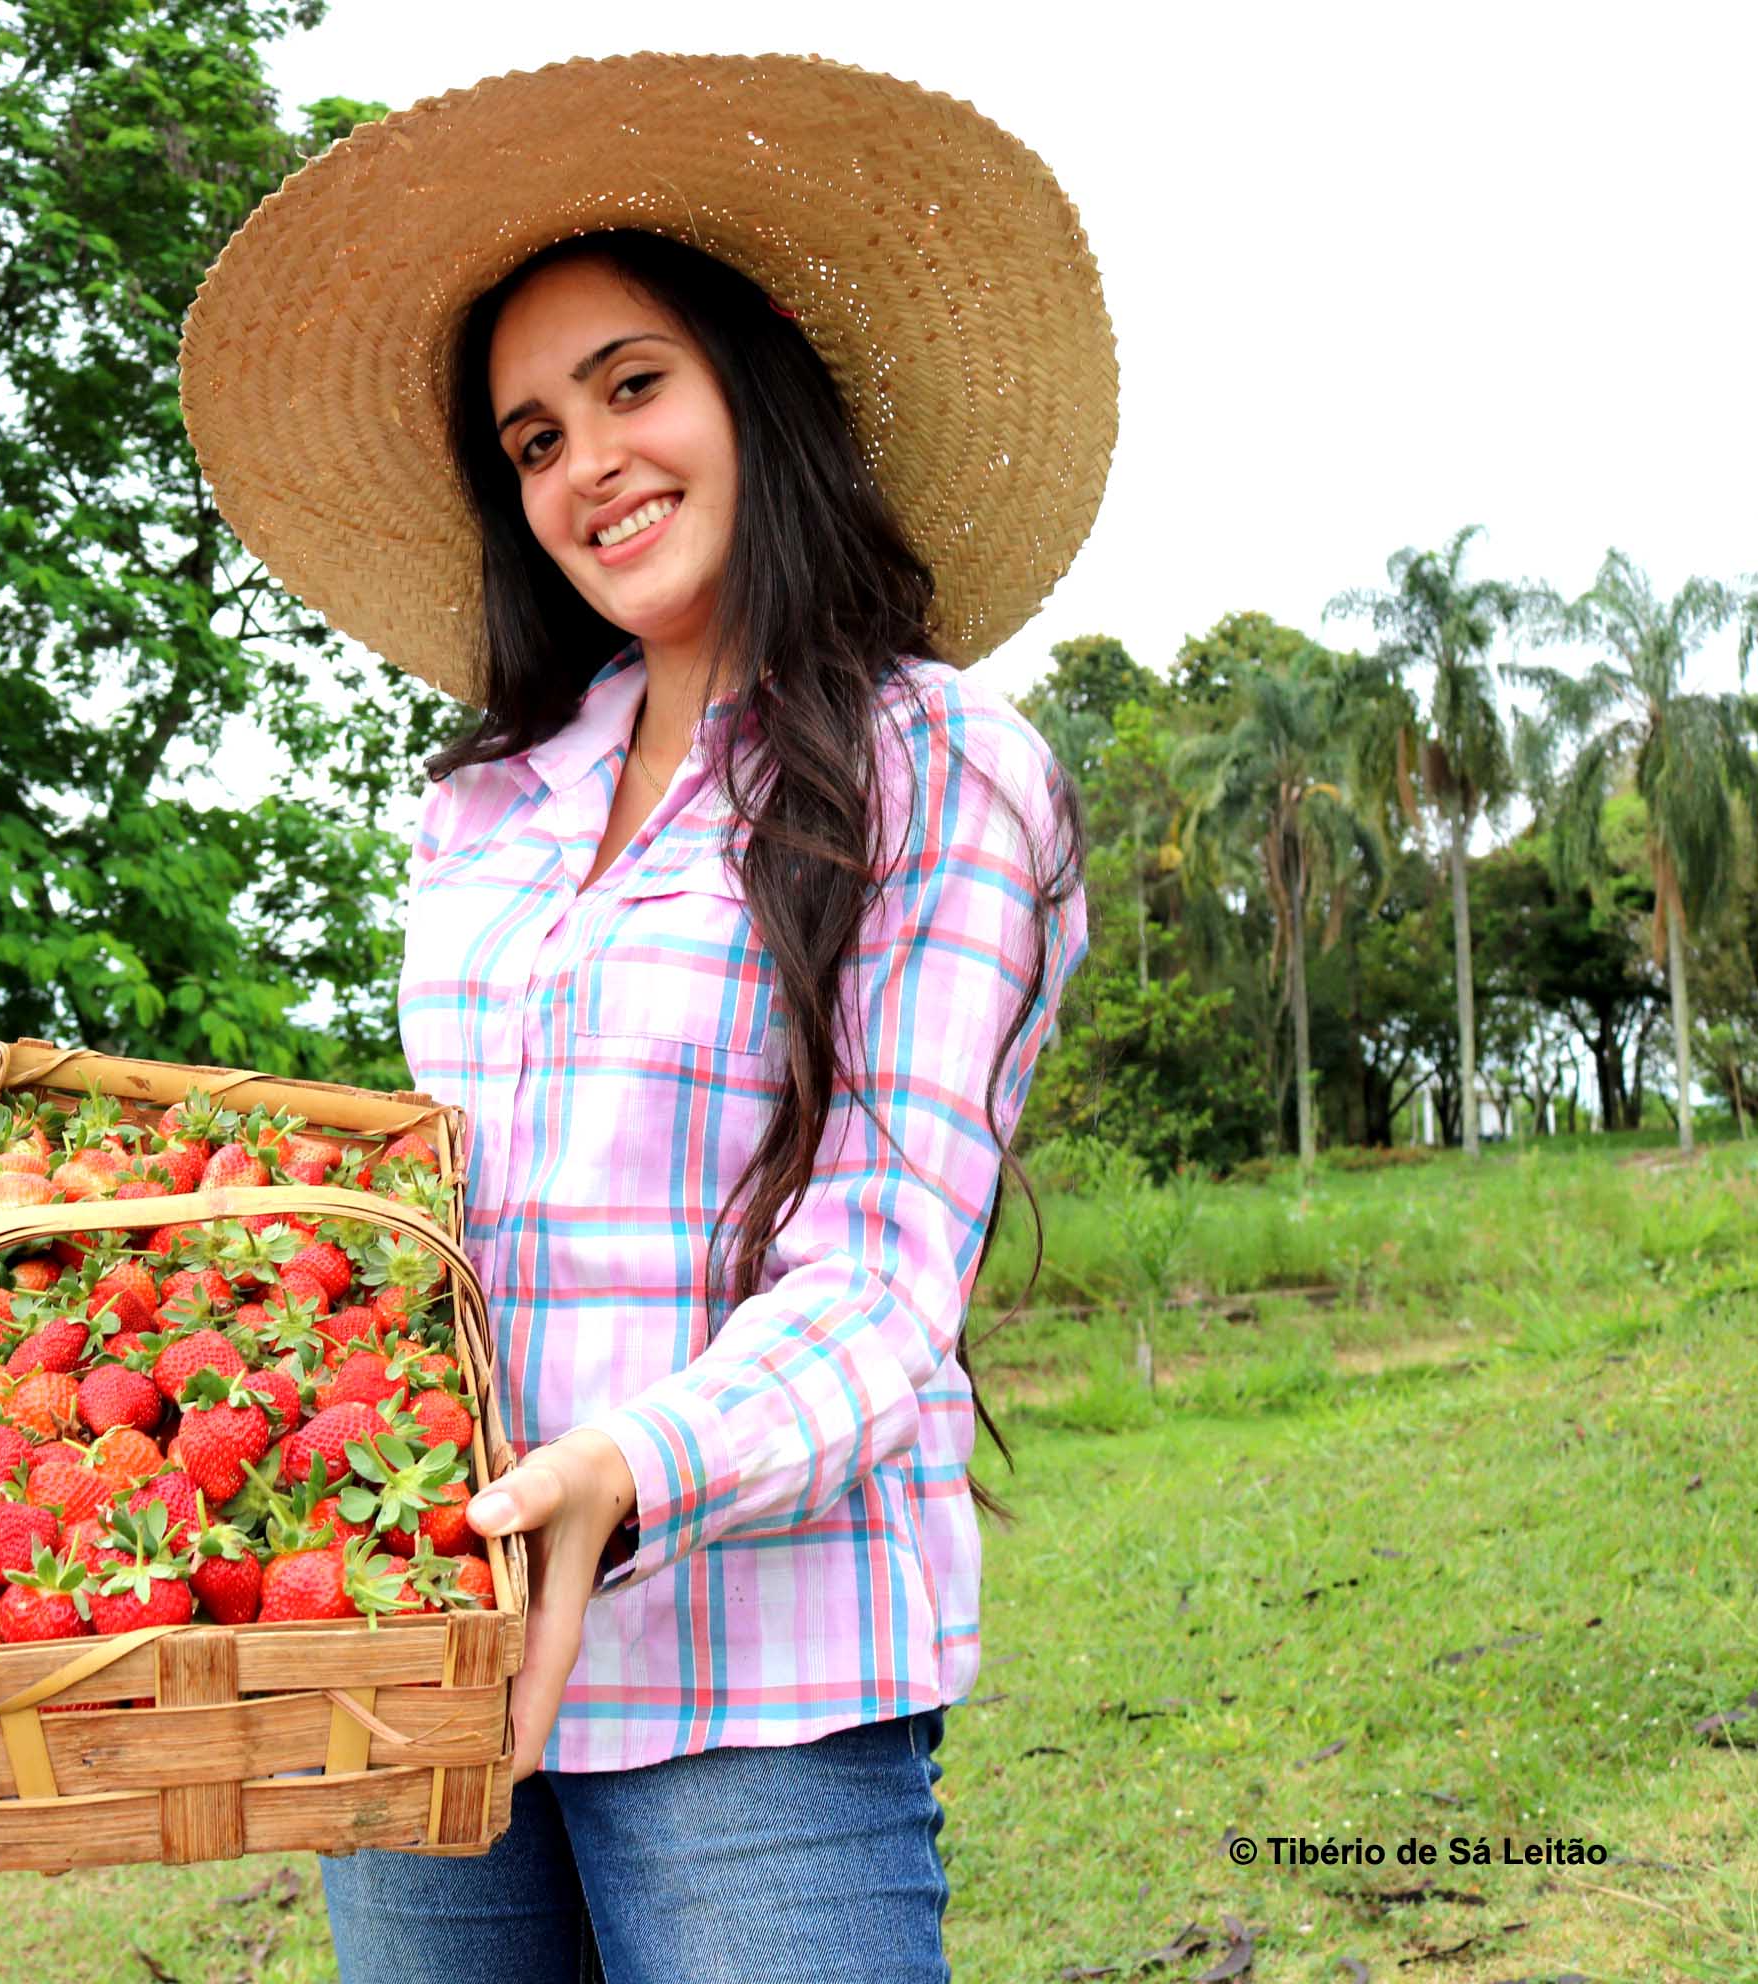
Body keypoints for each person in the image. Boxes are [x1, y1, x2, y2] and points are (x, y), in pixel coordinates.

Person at [180, 52, 1115, 1984]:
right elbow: (449, 1229)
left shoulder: (941, 766)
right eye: (530, 438)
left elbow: (879, 1273)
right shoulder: (486, 807)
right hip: (427, 1660)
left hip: (750, 1689)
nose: (586, 463)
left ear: (753, 390)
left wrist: (618, 1481)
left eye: (631, 386)